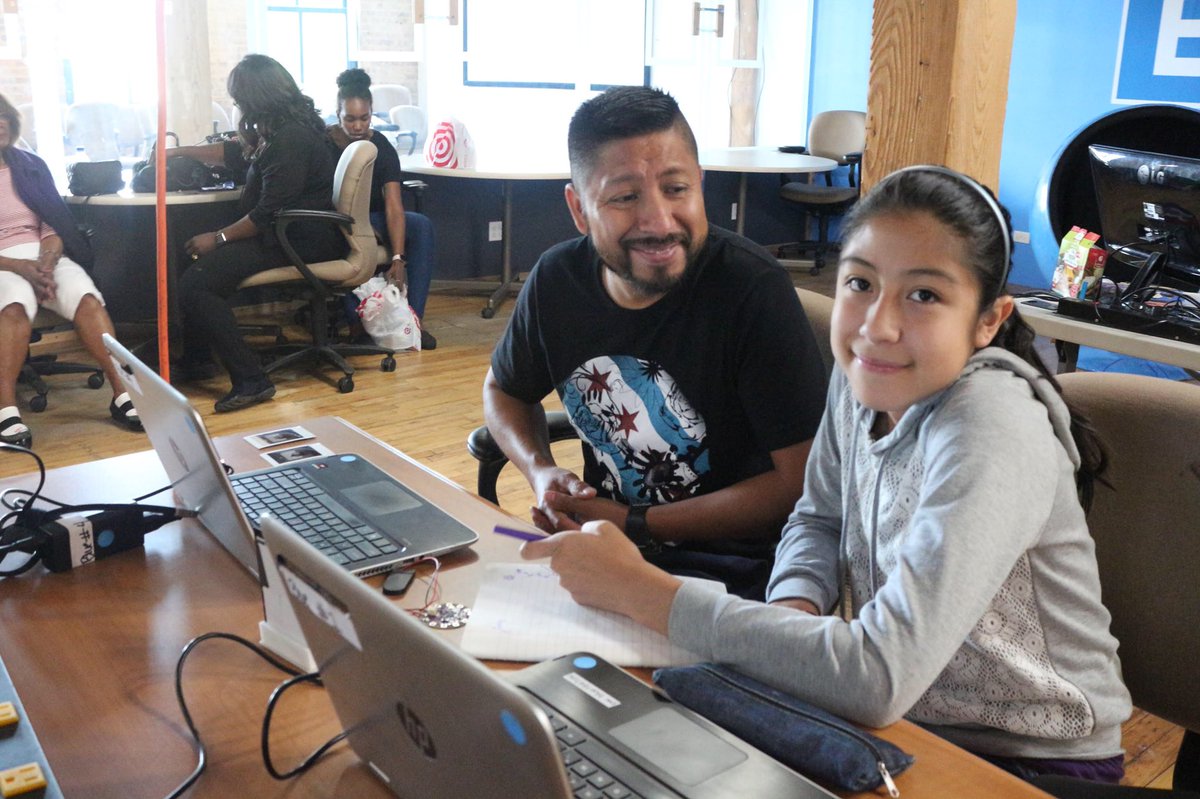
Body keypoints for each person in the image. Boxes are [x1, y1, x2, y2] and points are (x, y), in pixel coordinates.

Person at [523, 165, 1133, 784]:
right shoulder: (863, 373)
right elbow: (818, 515)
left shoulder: (990, 426)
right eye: (861, 283)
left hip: (1026, 760)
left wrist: (644, 592)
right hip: (892, 725)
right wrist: (790, 609)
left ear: (989, 319)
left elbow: (876, 677)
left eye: (924, 295)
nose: (877, 325)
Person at [483, 86, 828, 599]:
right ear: (579, 210)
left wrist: (636, 522)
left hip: (734, 572)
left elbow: (799, 480)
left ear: (700, 185)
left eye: (676, 189)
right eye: (625, 197)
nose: (659, 221)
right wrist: (539, 469)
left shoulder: (751, 290)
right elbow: (504, 390)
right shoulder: (557, 280)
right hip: (603, 550)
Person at [175, 54, 345, 412]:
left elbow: (267, 213)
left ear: (256, 99)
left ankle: (252, 379)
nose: (236, 105)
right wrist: (179, 152)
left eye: (239, 99)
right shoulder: (282, 130)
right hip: (284, 233)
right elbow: (238, 155)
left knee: (197, 284)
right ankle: (197, 359)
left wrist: (218, 238)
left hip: (297, 239)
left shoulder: (291, 139)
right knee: (189, 256)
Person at [0, 94, 143, 448]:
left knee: (87, 299)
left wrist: (46, 263)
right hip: (3, 262)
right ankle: (5, 408)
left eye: (3, 116)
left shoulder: (30, 165)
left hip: (44, 256)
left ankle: (122, 394)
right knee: (13, 304)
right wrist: (21, 267)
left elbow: (53, 223)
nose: (0, 123)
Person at [328, 68, 437, 350]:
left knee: (421, 225)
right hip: (332, 220)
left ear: (371, 112)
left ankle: (412, 323)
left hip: (372, 219)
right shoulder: (324, 142)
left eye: (364, 118)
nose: (357, 126)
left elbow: (393, 203)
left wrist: (398, 258)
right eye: (349, 119)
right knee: (353, 234)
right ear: (337, 114)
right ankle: (357, 323)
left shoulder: (381, 146)